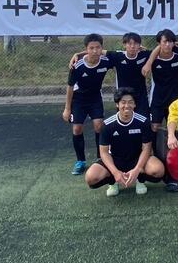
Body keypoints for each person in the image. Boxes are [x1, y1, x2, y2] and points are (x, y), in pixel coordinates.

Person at [84, 87, 165, 196]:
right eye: (123, 102)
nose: (127, 106)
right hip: (115, 159)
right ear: (117, 104)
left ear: (135, 105)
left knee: (158, 170)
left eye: (130, 102)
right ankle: (113, 182)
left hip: (137, 158)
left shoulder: (143, 122)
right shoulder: (107, 125)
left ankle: (140, 179)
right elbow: (104, 152)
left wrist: (137, 169)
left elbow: (146, 149)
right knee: (91, 177)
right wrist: (115, 172)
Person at [62, 33, 114, 175]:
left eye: (98, 47)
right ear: (86, 49)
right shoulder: (77, 65)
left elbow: (121, 55)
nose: (95, 51)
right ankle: (80, 161)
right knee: (77, 128)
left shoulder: (106, 61)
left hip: (95, 97)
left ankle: (100, 158)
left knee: (98, 125)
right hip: (78, 99)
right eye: (91, 48)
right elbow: (70, 87)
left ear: (102, 48)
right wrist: (67, 108)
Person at [70, 32, 151, 117]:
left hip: (141, 96)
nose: (132, 46)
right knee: (124, 121)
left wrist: (148, 63)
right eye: (129, 43)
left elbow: (156, 51)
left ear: (139, 45)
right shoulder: (117, 56)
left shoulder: (144, 54)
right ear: (124, 45)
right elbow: (97, 51)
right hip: (123, 96)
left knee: (144, 121)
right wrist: (78, 54)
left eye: (136, 43)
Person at [141, 29, 178, 136]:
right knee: (154, 127)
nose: (167, 45)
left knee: (175, 128)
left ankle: (172, 147)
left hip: (175, 98)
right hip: (157, 98)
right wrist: (148, 63)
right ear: (159, 43)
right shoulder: (152, 58)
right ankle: (155, 147)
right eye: (165, 42)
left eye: (170, 42)